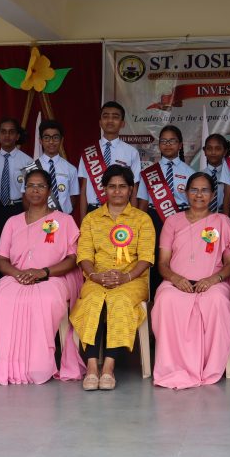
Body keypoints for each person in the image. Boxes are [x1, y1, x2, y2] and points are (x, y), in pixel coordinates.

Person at [0, 169, 82, 385]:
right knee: (0, 299)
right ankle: (7, 365)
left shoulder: (63, 221)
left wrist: (44, 272)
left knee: (44, 299)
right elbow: (1, 259)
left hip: (53, 277)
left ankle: (38, 365)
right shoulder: (12, 221)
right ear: (24, 190)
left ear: (49, 191)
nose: (35, 190)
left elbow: (73, 259)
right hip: (17, 276)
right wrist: (19, 274)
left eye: (40, 186)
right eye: (30, 186)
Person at [70, 165, 154, 391]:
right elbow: (84, 255)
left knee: (119, 301)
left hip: (132, 281)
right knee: (91, 301)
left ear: (131, 190)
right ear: (104, 190)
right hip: (97, 279)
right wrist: (96, 276)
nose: (117, 191)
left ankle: (108, 367)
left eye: (122, 187)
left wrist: (125, 277)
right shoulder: (91, 219)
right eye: (112, 187)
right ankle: (91, 367)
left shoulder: (142, 220)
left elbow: (146, 258)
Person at [151, 172, 230, 389]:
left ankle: (210, 366)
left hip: (213, 283)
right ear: (186, 192)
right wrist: (175, 278)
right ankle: (174, 367)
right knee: (165, 300)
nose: (199, 195)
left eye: (205, 190)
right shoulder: (172, 222)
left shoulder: (223, 221)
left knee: (217, 301)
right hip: (176, 283)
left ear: (213, 194)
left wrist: (213, 279)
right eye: (194, 190)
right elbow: (162, 263)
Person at [136, 125, 194, 294]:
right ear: (159, 145)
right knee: (155, 259)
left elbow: (194, 205)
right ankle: (155, 299)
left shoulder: (190, 172)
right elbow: (143, 205)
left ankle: (179, 296)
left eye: (172, 141)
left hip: (181, 219)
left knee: (179, 257)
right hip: (155, 219)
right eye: (164, 141)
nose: (168, 144)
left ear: (180, 145)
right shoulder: (148, 173)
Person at [77, 101, 141, 220]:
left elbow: (134, 188)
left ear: (122, 123)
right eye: (106, 116)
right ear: (100, 122)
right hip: (94, 211)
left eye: (115, 117)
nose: (110, 121)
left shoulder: (132, 152)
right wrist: (82, 221)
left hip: (122, 211)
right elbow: (84, 189)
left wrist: (133, 219)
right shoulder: (88, 153)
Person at [0, 117, 33, 282]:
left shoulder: (28, 161)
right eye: (3, 132)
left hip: (18, 208)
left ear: (17, 136)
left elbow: (31, 190)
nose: (7, 136)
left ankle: (16, 279)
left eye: (11, 132)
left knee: (16, 246)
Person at [37, 119, 80, 215]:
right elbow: (27, 199)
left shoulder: (71, 169)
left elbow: (73, 198)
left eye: (55, 137)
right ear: (40, 140)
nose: (51, 142)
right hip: (38, 219)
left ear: (62, 140)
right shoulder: (31, 168)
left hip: (63, 219)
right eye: (47, 138)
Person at [202, 133, 230, 215]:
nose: (213, 152)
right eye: (209, 148)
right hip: (203, 218)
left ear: (225, 151)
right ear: (204, 151)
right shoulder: (198, 176)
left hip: (225, 216)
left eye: (218, 149)